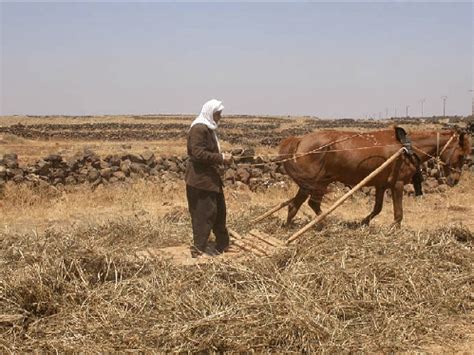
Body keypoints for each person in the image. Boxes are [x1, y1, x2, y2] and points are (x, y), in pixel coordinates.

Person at [185, 99, 232, 258]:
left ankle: (223, 245)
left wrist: (222, 158)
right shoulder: (199, 129)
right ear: (210, 113)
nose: (220, 117)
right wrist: (221, 158)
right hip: (201, 181)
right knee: (203, 215)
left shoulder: (208, 128)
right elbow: (197, 153)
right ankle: (198, 249)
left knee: (219, 212)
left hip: (210, 180)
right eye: (217, 114)